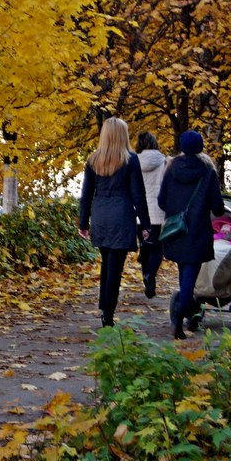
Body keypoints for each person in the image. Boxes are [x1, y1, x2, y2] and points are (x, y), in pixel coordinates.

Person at [78, 118, 152, 328]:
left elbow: (86, 195)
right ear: (122, 135)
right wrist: (146, 224)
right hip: (121, 215)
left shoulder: (93, 160)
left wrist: (83, 222)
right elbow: (138, 194)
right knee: (115, 268)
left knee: (106, 264)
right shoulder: (130, 160)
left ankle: (104, 307)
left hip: (100, 215)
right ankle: (108, 313)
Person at [157, 130, 225, 339]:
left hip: (176, 231)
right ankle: (181, 312)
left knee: (184, 273)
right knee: (189, 274)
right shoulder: (207, 171)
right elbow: (218, 207)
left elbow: (161, 201)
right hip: (197, 231)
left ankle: (188, 310)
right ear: (201, 147)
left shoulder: (171, 169)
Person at [135, 131, 168, 299]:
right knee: (157, 249)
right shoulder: (164, 162)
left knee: (145, 247)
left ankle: (146, 279)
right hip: (158, 213)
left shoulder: (133, 162)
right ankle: (150, 275)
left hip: (140, 214)